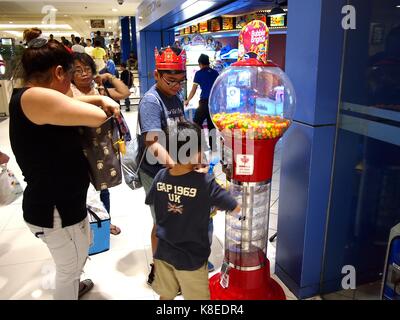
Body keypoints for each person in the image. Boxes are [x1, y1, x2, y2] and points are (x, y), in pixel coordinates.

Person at [9, 28, 120, 300]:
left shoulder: (33, 96)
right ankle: (68, 290)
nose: (72, 85)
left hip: (65, 200)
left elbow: (77, 101)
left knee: (81, 250)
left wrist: (98, 96)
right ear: (59, 73)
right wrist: (101, 99)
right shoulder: (34, 97)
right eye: (70, 77)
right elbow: (95, 116)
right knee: (69, 268)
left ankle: (72, 287)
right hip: (53, 207)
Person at [145, 121, 240, 300]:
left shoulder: (159, 176)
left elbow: (155, 203)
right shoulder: (206, 183)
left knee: (166, 294)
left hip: (163, 254)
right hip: (192, 258)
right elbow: (234, 206)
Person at [138, 46, 187, 285]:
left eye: (181, 81)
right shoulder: (151, 101)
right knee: (162, 223)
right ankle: (158, 272)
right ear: (156, 75)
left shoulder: (175, 97)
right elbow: (152, 142)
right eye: (171, 81)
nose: (177, 86)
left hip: (174, 168)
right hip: (156, 171)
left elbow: (182, 129)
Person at [68, 52, 130, 235]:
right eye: (78, 70)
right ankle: (84, 226)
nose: (84, 74)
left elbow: (124, 92)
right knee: (81, 188)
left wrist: (109, 76)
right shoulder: (70, 92)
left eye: (87, 69)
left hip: (102, 146)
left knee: (103, 188)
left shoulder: (100, 89)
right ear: (71, 74)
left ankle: (105, 220)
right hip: (79, 146)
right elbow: (69, 102)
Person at [184, 54, 219, 152]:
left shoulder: (199, 73)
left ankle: (199, 146)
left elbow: (193, 90)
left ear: (200, 63)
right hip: (213, 103)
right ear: (208, 62)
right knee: (211, 125)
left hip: (204, 103)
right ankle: (214, 148)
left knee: (196, 124)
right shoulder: (215, 73)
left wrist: (187, 100)